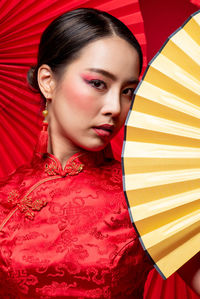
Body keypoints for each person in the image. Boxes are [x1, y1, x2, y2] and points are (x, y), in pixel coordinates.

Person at [0, 7, 199, 299]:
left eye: (128, 90)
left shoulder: (147, 193)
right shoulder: (5, 197)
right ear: (48, 81)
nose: (115, 108)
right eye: (98, 83)